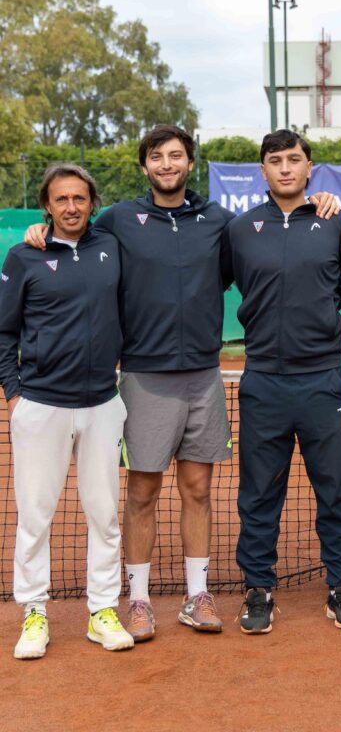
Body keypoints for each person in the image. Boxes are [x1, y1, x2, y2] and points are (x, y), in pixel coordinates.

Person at [25, 124, 234, 640]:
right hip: (143, 376)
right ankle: (137, 600)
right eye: (157, 157)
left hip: (204, 375)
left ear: (190, 163)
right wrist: (39, 231)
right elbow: (71, 237)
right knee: (141, 492)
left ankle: (196, 595)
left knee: (199, 490)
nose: (167, 164)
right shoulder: (118, 219)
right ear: (145, 166)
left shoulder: (218, 221)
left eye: (176, 155)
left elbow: (229, 271)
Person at [222, 129, 341, 633]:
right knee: (259, 495)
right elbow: (222, 277)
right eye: (275, 161)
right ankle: (258, 592)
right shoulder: (239, 229)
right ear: (262, 171)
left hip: (323, 379)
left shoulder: (333, 221)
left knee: (335, 492)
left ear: (310, 168)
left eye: (295, 160)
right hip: (262, 380)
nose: (285, 168)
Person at [0, 164, 133, 658]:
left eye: (80, 198)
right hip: (40, 407)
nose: (71, 207)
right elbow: (3, 330)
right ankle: (34, 613)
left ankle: (101, 611)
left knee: (104, 515)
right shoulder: (23, 256)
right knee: (35, 516)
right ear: (47, 206)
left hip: (102, 405)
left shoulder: (111, 247)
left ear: (92, 203)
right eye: (62, 200)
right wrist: (16, 393)